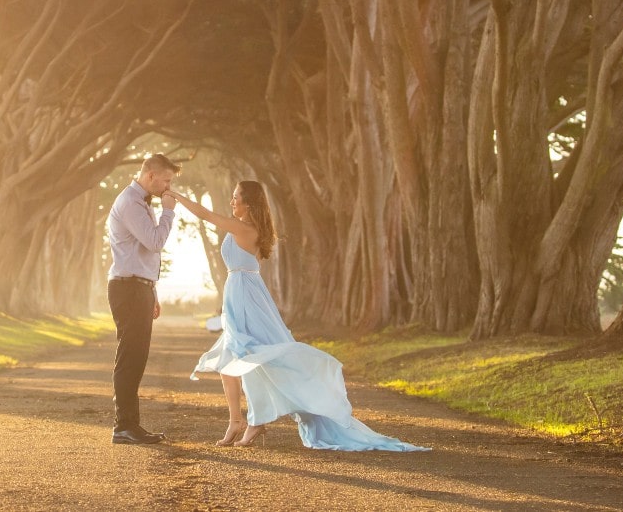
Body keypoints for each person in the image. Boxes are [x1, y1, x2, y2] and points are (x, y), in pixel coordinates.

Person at [168, 181, 428, 452]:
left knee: (244, 356)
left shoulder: (245, 229)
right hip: (241, 293)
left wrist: (178, 197)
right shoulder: (245, 227)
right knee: (234, 358)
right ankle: (240, 420)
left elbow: (206, 215)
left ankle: (249, 421)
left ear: (249, 204)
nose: (232, 202)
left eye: (236, 198)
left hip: (245, 296)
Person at [106, 153, 181, 444]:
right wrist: (169, 211)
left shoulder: (139, 202)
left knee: (136, 358)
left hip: (139, 288)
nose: (168, 186)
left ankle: (129, 425)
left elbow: (144, 254)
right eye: (166, 180)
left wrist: (153, 291)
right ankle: (124, 425)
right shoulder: (130, 203)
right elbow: (155, 241)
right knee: (130, 358)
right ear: (150, 175)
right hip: (128, 289)